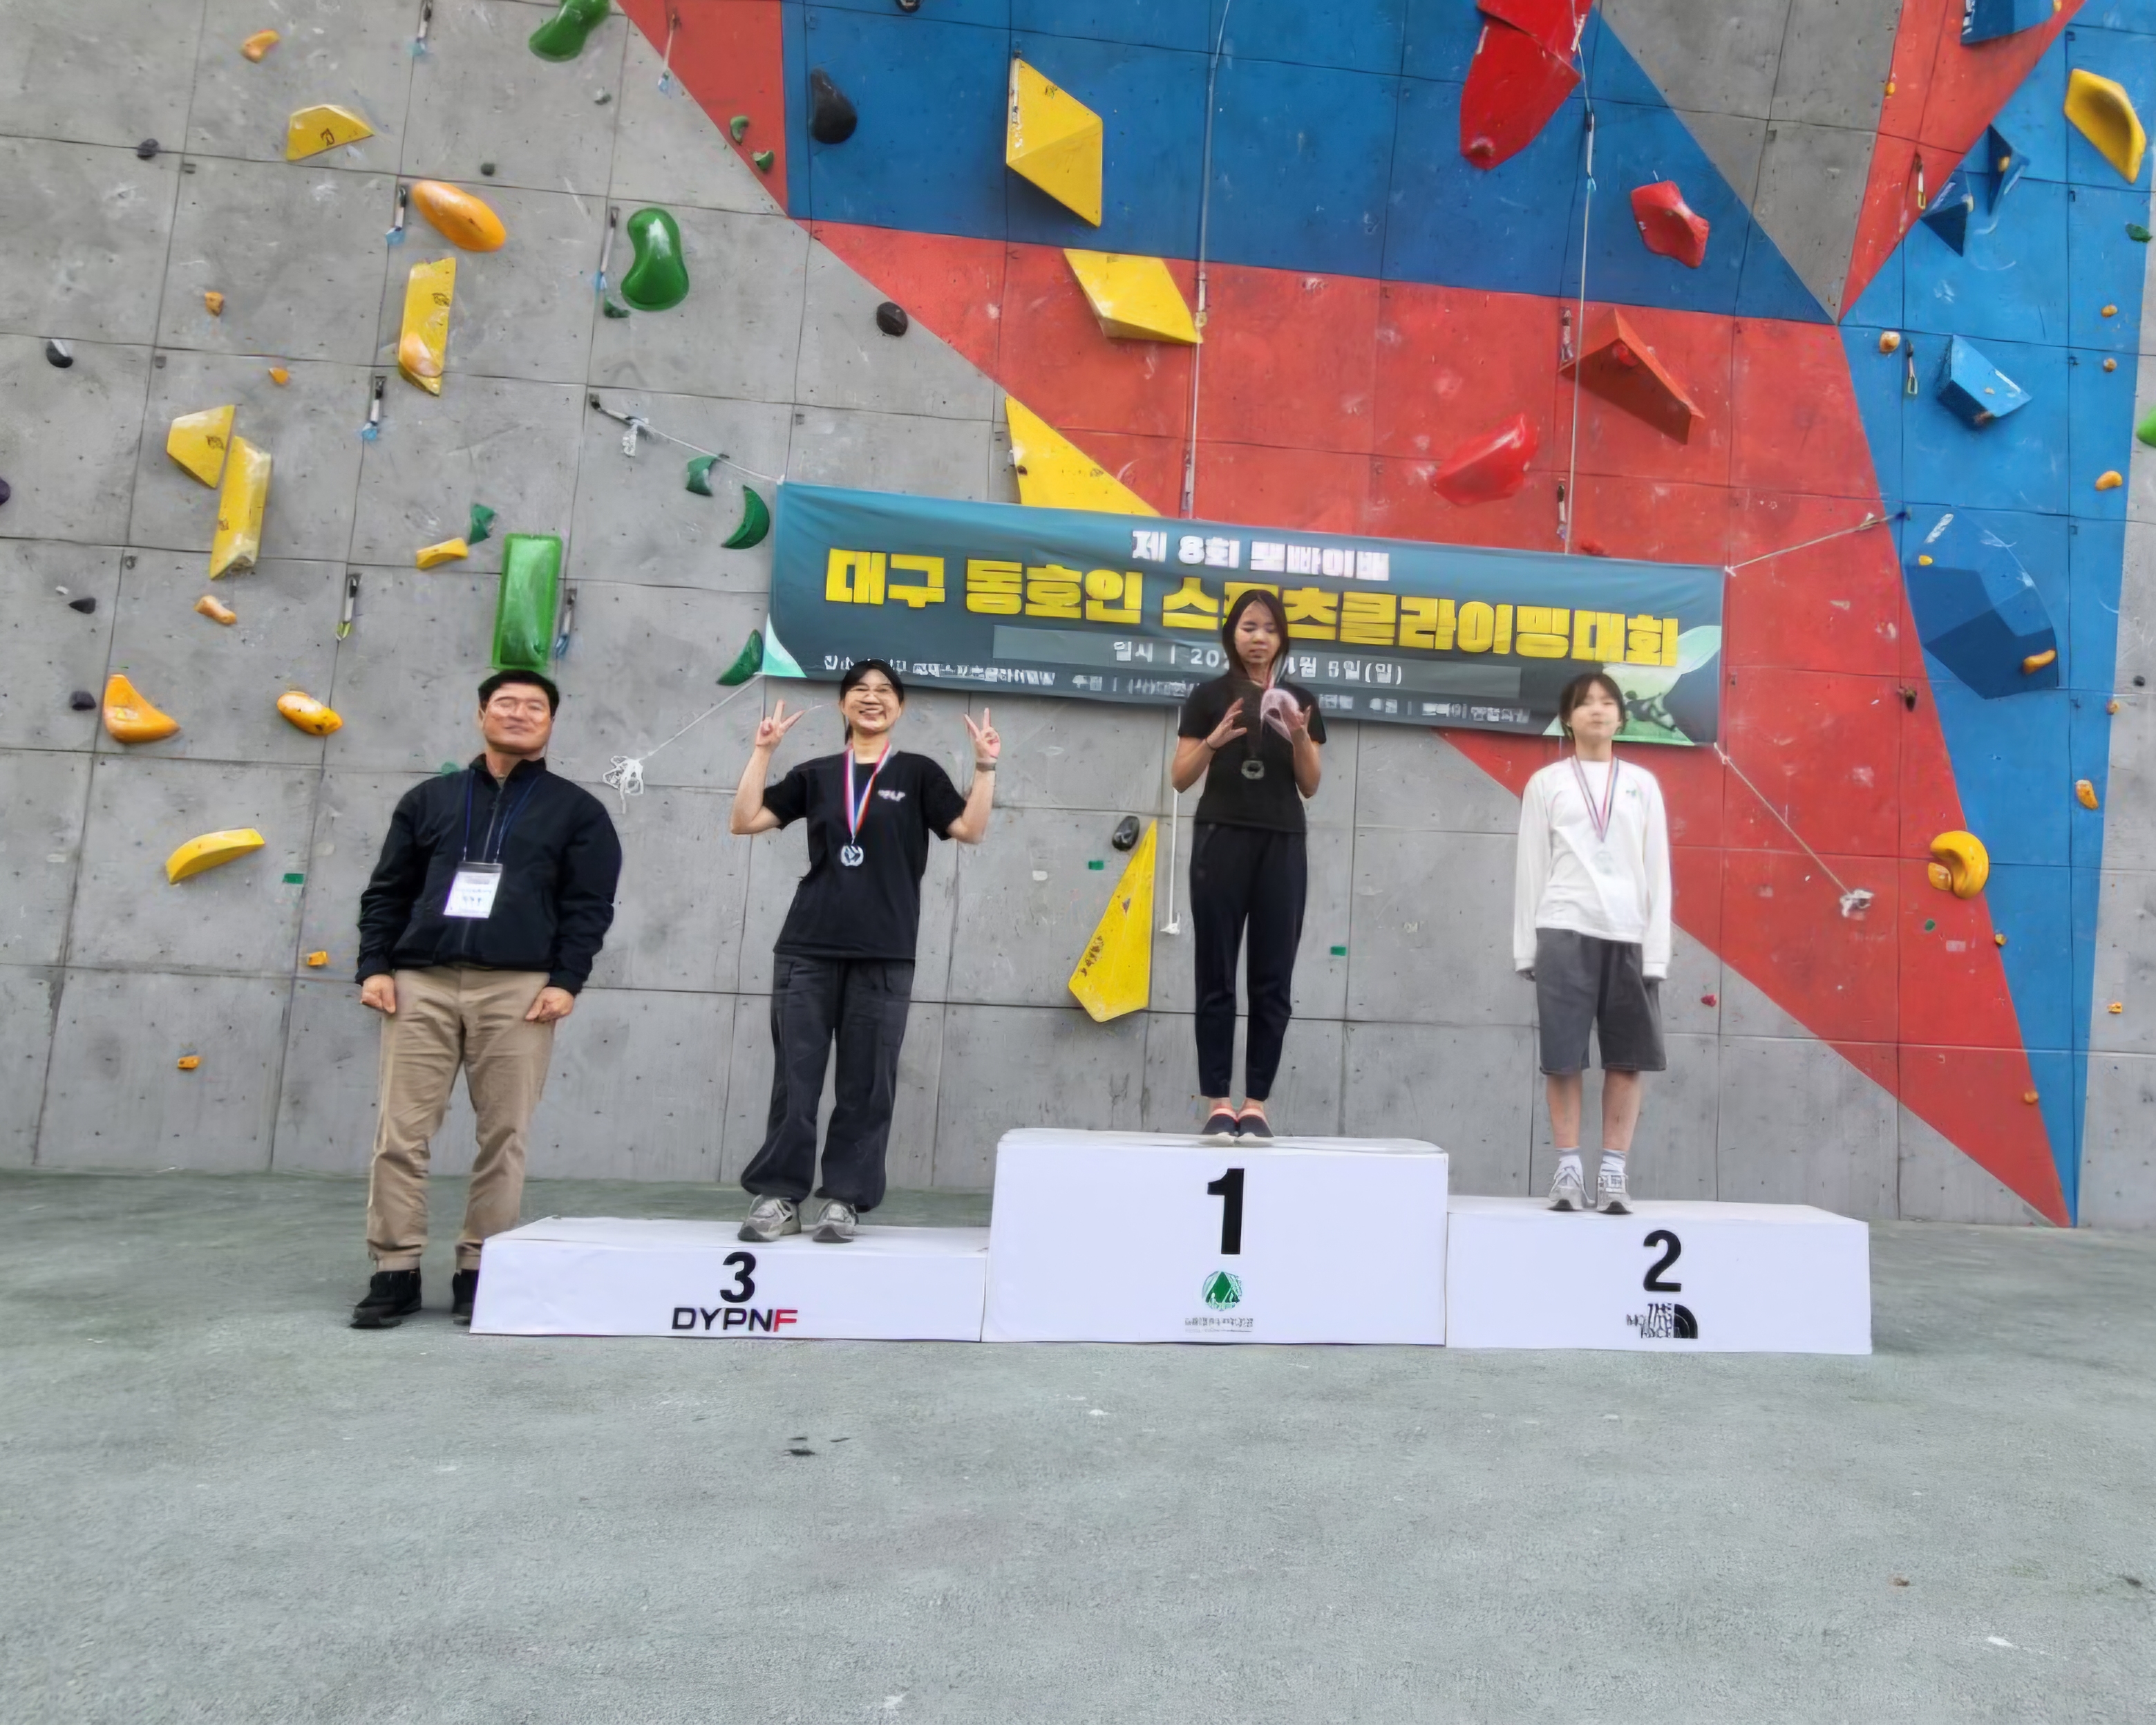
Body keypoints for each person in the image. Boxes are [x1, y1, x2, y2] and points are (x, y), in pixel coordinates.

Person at [348, 670, 623, 1328]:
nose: (519, 714)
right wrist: (375, 966)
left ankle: (482, 1267)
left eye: (535, 707)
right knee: (400, 1134)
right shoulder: (430, 800)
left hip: (520, 989)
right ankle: (395, 1269)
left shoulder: (577, 810)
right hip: (420, 982)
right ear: (481, 715)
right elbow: (387, 890)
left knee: (505, 1135)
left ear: (551, 723)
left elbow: (589, 906)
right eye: (506, 703)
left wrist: (566, 980)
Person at [729, 660, 1000, 1243]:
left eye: (883, 691)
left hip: (885, 951)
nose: (871, 698)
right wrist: (763, 752)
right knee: (796, 1078)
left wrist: (985, 767)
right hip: (807, 947)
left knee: (868, 1082)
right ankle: (779, 1196)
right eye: (859, 690)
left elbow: (971, 830)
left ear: (899, 707)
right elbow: (744, 820)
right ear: (843, 706)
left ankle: (844, 1199)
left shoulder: (919, 773)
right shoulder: (817, 774)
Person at [1513, 670, 1672, 1216]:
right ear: (1568, 718)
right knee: (1563, 1058)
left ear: (1622, 718)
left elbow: (1658, 870)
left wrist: (1656, 951)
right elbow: (1531, 866)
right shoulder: (1546, 783)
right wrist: (1526, 947)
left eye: (1607, 702)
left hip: (1628, 933)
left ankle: (1612, 1173)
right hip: (1563, 927)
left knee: (1626, 1060)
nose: (1597, 710)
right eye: (1585, 703)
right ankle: (1567, 1170)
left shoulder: (1643, 784)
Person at [1171, 590, 1325, 1144]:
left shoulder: (1300, 700)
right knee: (1215, 972)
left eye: (1269, 628)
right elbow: (1180, 778)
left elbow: (1310, 784)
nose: (1258, 637)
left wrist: (1301, 735)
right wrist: (1212, 742)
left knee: (1273, 977)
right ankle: (1218, 1102)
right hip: (1220, 838)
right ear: (1231, 634)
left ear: (1282, 638)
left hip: (1282, 841)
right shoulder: (1208, 696)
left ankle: (1256, 1104)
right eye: (1248, 627)